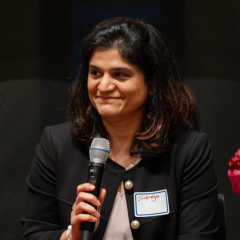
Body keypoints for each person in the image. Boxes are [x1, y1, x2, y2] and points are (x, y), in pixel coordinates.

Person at [21, 17, 218, 240]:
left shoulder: (188, 149)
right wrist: (70, 236)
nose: (103, 86)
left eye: (120, 75)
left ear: (152, 84)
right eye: (95, 73)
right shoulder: (56, 144)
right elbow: (33, 234)